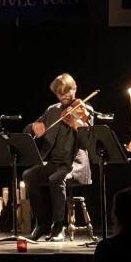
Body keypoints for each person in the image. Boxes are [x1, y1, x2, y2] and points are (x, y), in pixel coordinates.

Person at [24, 73, 94, 242]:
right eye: (60, 93)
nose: (64, 97)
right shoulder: (52, 110)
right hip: (54, 162)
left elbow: (89, 144)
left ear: (75, 89)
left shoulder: (86, 110)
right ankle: (42, 224)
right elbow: (29, 130)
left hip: (74, 164)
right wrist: (34, 128)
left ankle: (58, 227)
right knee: (29, 175)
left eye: (67, 92)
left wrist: (77, 125)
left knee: (56, 179)